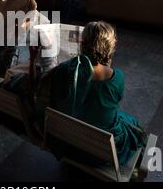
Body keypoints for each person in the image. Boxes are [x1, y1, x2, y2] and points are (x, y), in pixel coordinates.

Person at [37, 21, 146, 165]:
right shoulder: (117, 77)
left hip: (67, 144)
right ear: (111, 49)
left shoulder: (64, 70)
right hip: (102, 153)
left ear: (82, 46)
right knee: (131, 122)